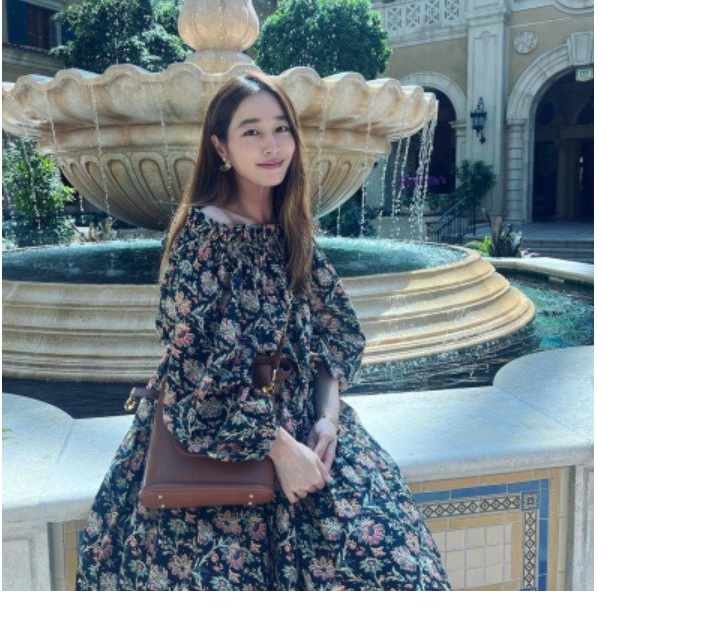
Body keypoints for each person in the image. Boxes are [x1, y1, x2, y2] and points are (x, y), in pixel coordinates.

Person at [76, 72, 449, 590]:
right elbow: (192, 378)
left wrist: (328, 422)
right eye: (251, 131)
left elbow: (336, 335)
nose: (272, 146)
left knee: (396, 565)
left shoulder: (292, 230)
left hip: (309, 431)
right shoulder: (204, 240)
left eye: (281, 129)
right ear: (220, 147)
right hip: (221, 444)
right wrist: (280, 448)